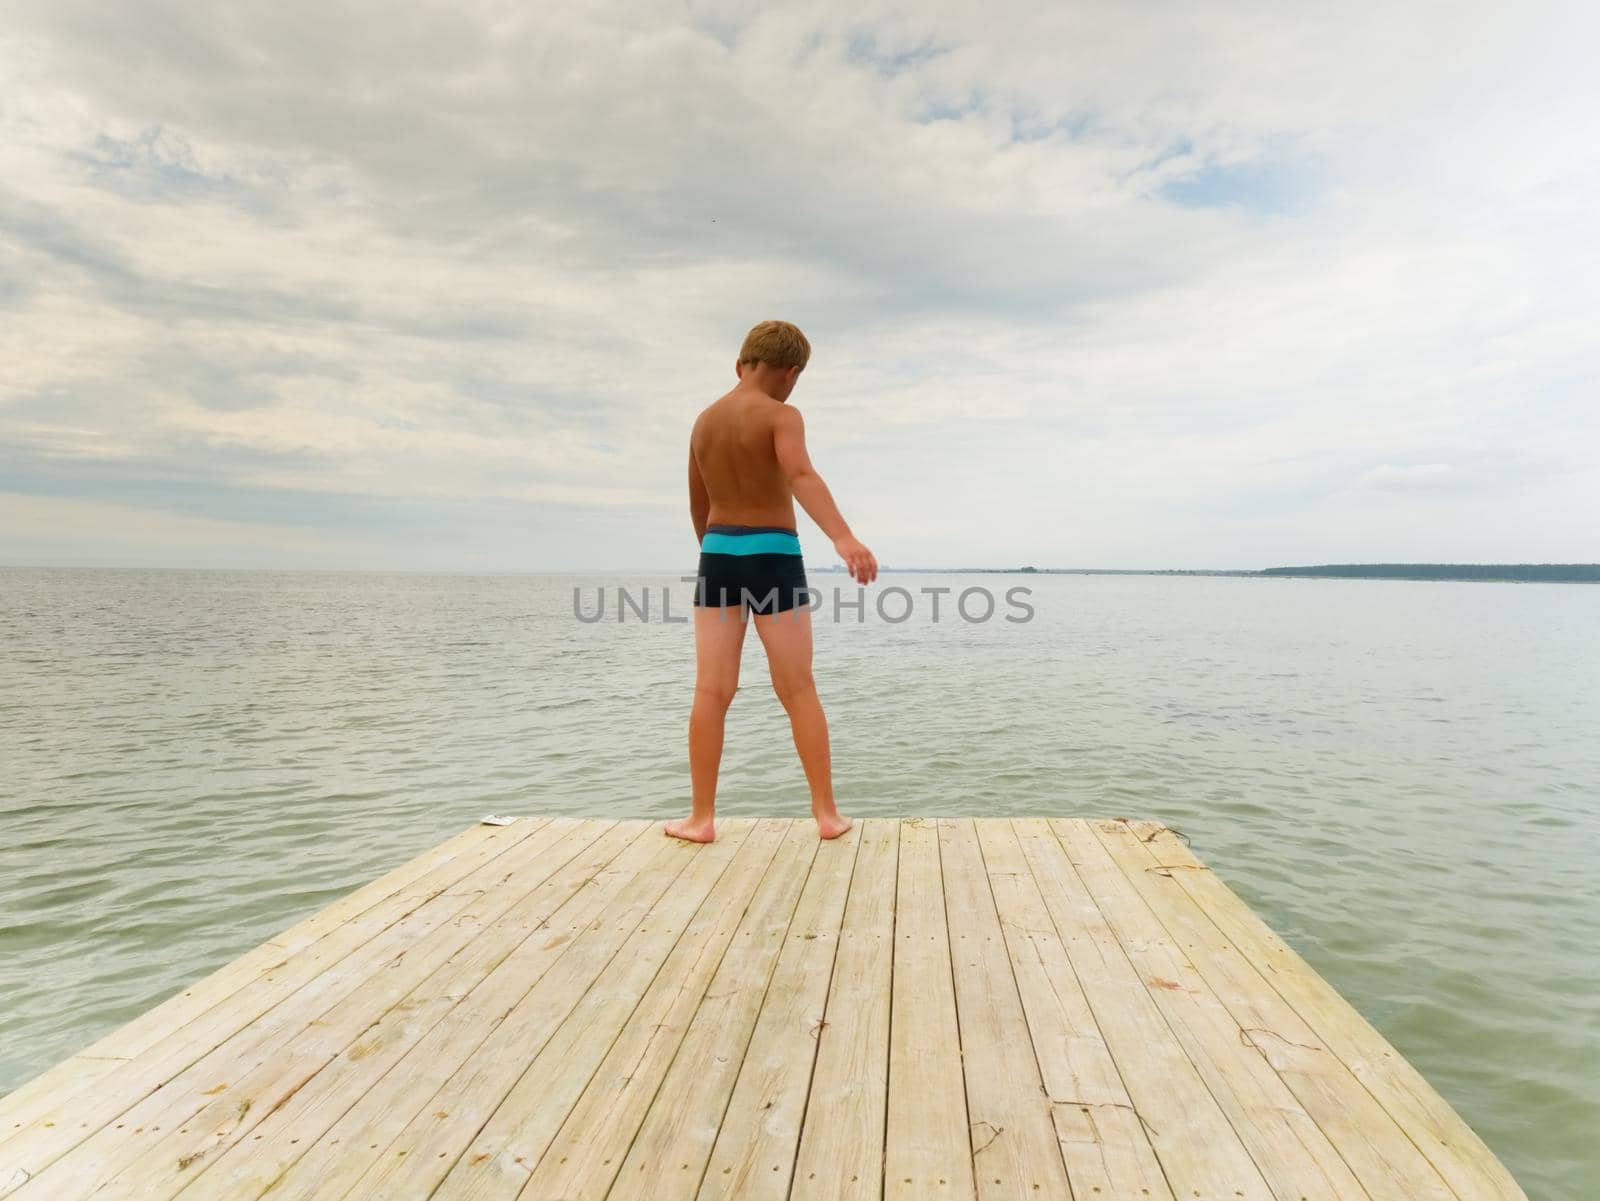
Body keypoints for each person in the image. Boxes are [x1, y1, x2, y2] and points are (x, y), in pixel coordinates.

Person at [665, 319, 877, 844]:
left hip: (716, 554)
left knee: (711, 690)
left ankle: (699, 819)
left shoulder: (703, 421)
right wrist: (844, 537)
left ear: (740, 365)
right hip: (774, 553)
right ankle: (827, 815)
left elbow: (698, 503)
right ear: (791, 372)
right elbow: (801, 475)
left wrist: (716, 556)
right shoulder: (783, 415)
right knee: (797, 688)